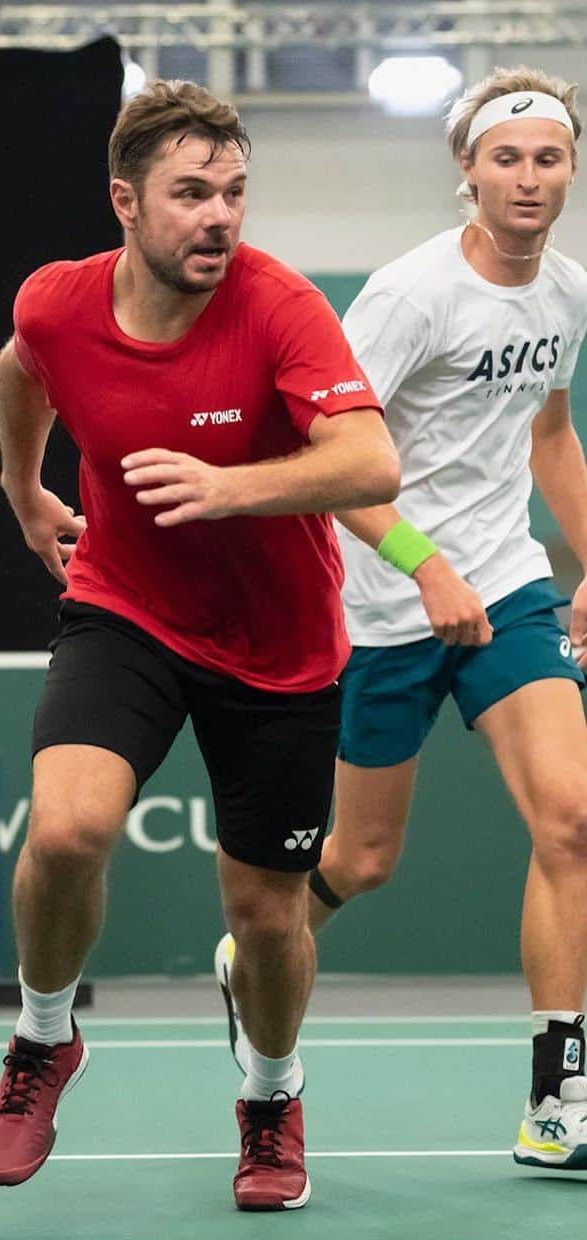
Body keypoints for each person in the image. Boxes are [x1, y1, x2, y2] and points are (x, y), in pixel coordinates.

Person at [0, 79, 399, 1210]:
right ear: (125, 202)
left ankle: (270, 1101)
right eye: (191, 194)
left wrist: (233, 487)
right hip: (127, 607)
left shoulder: (279, 307)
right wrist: (25, 493)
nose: (219, 216)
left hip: (280, 647)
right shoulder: (58, 304)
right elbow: (23, 369)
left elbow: (371, 465)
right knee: (66, 830)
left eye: (234, 193)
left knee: (266, 918)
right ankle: (42, 1039)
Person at [217, 67, 587, 1171]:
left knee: (571, 819)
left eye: (549, 158)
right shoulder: (408, 294)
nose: (529, 178)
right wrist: (424, 568)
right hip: (384, 599)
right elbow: (324, 459)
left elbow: (550, 439)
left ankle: (559, 1097)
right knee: (366, 857)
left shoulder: (566, 292)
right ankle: (256, 960)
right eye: (508, 158)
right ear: (467, 172)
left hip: (510, 586)